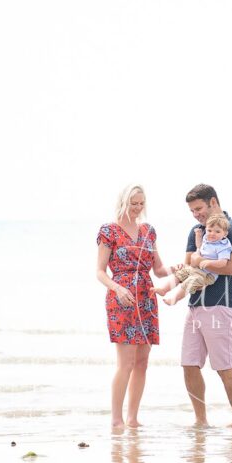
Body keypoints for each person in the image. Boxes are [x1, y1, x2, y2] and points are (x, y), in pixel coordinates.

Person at [96, 184, 173, 430]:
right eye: (133, 203)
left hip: (146, 299)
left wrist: (180, 269)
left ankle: (133, 418)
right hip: (122, 299)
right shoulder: (109, 231)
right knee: (126, 363)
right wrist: (117, 288)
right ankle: (116, 420)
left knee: (142, 362)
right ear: (123, 202)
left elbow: (159, 270)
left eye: (141, 203)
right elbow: (100, 271)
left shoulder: (149, 231)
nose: (138, 208)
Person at [178, 184, 232, 428]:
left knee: (224, 367)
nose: (196, 214)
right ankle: (201, 420)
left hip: (222, 306)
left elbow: (231, 268)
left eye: (199, 208)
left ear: (214, 203)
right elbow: (188, 263)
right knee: (189, 364)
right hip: (195, 305)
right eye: (192, 211)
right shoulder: (196, 231)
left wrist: (201, 261)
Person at [156, 213, 232, 306]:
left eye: (217, 232)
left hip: (207, 275)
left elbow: (223, 263)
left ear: (225, 233)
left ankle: (174, 299)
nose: (212, 234)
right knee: (180, 273)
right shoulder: (207, 238)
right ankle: (164, 289)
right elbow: (199, 246)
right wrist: (198, 235)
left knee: (190, 281)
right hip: (195, 269)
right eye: (209, 230)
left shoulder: (223, 246)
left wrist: (207, 262)